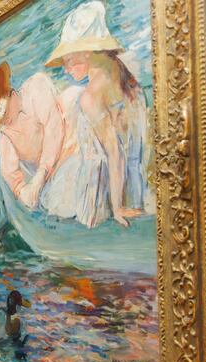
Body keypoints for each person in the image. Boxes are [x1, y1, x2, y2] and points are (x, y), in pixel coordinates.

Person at [43, 0, 150, 228]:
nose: (65, 68)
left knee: (52, 194)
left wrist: (118, 207)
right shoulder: (127, 78)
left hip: (99, 190)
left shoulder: (90, 97)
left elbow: (114, 152)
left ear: (88, 53)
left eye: (69, 59)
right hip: (133, 183)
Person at [0, 61, 65, 209]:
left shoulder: (36, 88)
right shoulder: (4, 133)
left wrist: (41, 172)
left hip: (68, 142)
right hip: (47, 172)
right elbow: (10, 173)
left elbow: (54, 128)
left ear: (12, 94)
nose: (3, 121)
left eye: (4, 113)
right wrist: (23, 192)